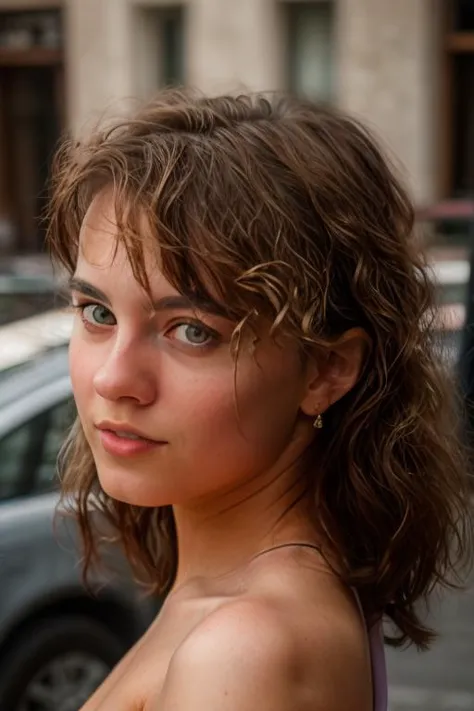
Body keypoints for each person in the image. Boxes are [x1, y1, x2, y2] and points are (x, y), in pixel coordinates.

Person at [47, 90, 472, 711]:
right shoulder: (248, 603)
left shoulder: (245, 650)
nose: (114, 380)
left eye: (192, 330)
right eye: (98, 312)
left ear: (327, 369)